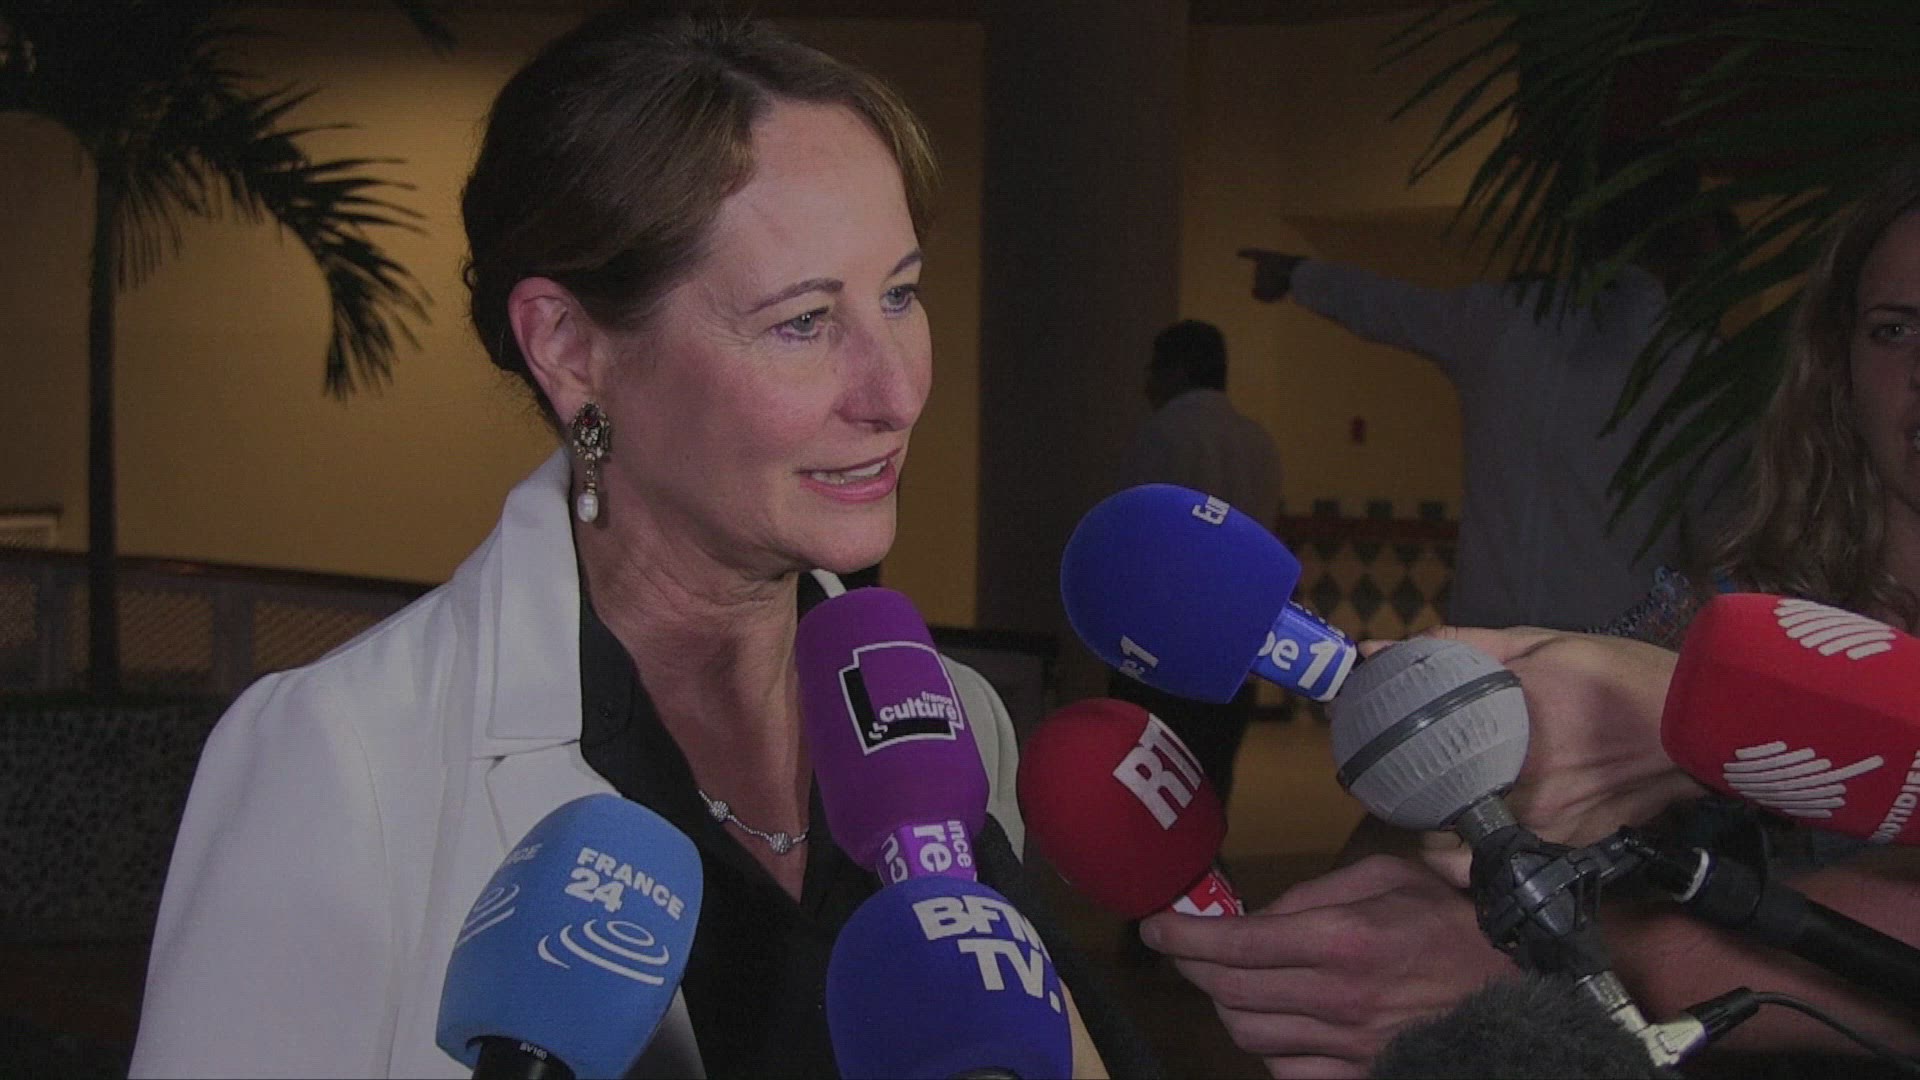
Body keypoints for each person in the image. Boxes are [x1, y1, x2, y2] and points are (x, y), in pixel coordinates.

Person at [128, 12, 1117, 1078]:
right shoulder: (342, 762)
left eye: (900, 295)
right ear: (568, 347)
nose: (897, 391)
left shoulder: (951, 724)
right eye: (803, 320)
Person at [1145, 153, 1920, 1078]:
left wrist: (1545, 946)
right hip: (1531, 677)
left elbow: (1392, 307)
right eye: (1894, 328)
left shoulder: (1512, 326)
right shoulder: (1708, 499)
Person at [1238, 147, 1743, 632]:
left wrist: (1298, 275)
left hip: (1489, 645)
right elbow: (1716, 536)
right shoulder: (1700, 368)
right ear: (1688, 232)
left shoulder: (1505, 321)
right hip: (1615, 653)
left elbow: (1390, 307)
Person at [1109, 319, 1281, 803]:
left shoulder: (1161, 435)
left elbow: (1130, 542)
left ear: (1177, 370)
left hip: (1162, 651)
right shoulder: (1258, 442)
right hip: (1234, 650)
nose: (1146, 384)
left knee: (1148, 793)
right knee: (1211, 788)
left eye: (1153, 369)